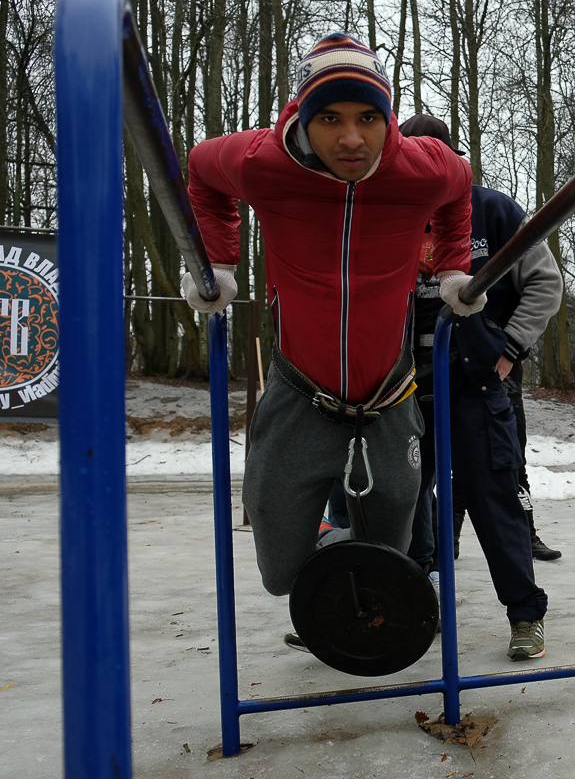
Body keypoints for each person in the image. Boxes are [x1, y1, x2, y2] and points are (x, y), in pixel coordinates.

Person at [183, 34, 482, 642]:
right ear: (303, 116)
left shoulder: (421, 165)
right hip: (300, 390)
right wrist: (217, 264)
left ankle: (359, 610)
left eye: (369, 117)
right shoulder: (259, 161)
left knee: (390, 553)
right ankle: (326, 544)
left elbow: (459, 192)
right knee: (280, 568)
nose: (352, 139)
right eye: (332, 119)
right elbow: (198, 171)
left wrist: (453, 267)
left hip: (389, 395)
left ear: (388, 116)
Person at [401, 113, 561, 659]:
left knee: (494, 499)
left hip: (477, 381)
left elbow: (545, 282)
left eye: (435, 162)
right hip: (399, 386)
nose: (424, 174)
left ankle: (525, 616)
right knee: (396, 500)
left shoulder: (492, 211)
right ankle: (399, 604)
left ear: (452, 164)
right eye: (411, 161)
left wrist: (510, 349)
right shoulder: (389, 219)